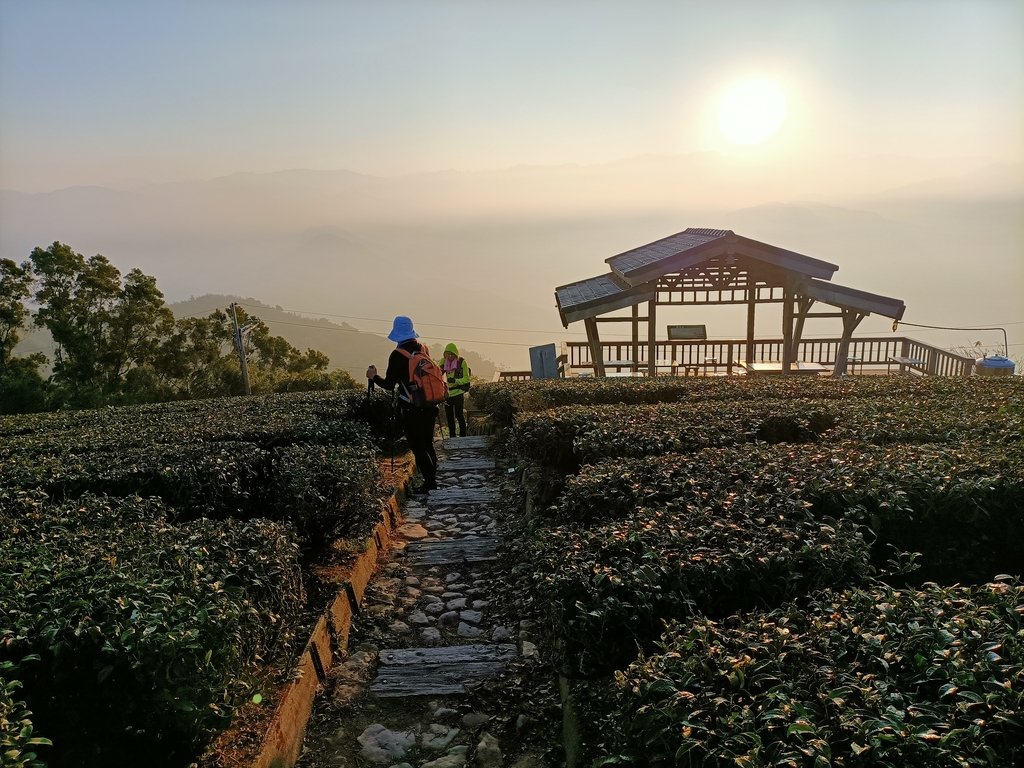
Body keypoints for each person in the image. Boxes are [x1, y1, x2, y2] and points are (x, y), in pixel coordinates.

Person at [366, 316, 439, 493]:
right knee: (428, 443)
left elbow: (390, 385)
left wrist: (373, 376)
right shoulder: (423, 349)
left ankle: (430, 483)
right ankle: (432, 478)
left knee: (417, 446)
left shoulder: (397, 355)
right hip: (430, 405)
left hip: (412, 407)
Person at [440, 343, 471, 437]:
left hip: (458, 392)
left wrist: (455, 380)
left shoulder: (461, 362)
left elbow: (466, 379)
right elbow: (438, 374)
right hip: (448, 393)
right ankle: (452, 436)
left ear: (456, 354)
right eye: (447, 354)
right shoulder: (443, 362)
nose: (449, 356)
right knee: (449, 417)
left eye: (452, 354)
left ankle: (463, 436)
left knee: (459, 415)